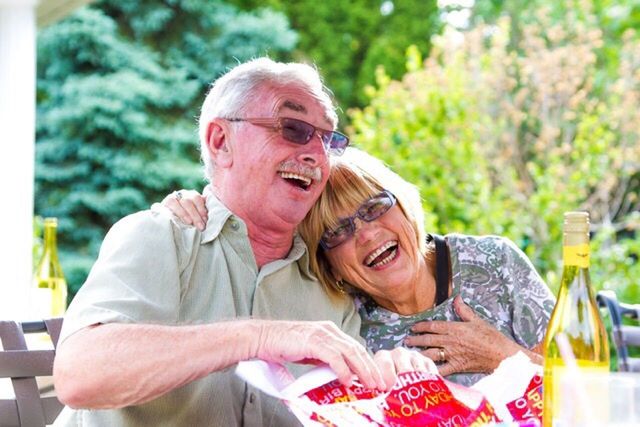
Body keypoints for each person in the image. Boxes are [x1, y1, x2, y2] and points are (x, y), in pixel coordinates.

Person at [52, 59, 432, 427]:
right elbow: (78, 374)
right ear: (221, 142)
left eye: (328, 139)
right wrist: (261, 336)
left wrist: (389, 388)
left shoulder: (329, 282)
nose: (316, 154)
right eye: (293, 128)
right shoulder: (162, 236)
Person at [166, 148, 556, 386]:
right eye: (338, 232)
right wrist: (196, 205)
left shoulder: (493, 263)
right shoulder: (340, 317)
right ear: (330, 266)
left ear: (402, 203)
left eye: (374, 208)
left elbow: (587, 387)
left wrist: (504, 357)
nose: (367, 234)